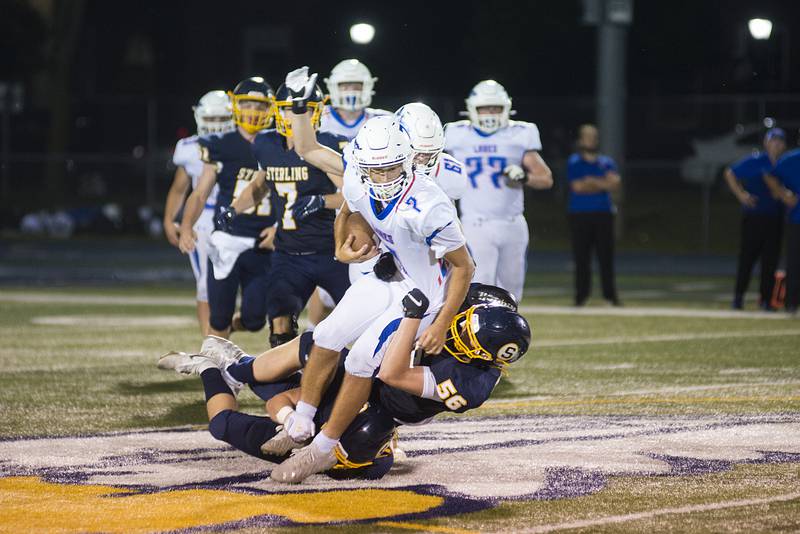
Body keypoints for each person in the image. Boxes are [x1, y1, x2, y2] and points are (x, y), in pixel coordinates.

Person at [265, 67, 475, 484]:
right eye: (411, 157)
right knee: (326, 334)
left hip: (420, 292)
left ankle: (323, 449)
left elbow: (463, 265)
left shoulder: (431, 200)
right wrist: (342, 242)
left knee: (363, 358)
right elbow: (343, 192)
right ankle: (302, 422)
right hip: (387, 272)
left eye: (417, 159)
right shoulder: (365, 169)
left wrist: (443, 320)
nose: (386, 175)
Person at [156, 284, 530, 481]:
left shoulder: (468, 384)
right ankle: (239, 368)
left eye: (464, 334)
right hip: (371, 391)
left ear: (478, 356)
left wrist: (291, 422)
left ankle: (210, 369)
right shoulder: (465, 318)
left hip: (384, 393)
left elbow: (393, 374)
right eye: (463, 320)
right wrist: (294, 418)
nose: (454, 328)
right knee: (316, 346)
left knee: (224, 425)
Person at [221, 82, 350, 347]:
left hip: (330, 252)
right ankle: (288, 384)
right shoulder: (266, 143)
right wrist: (234, 209)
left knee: (360, 321)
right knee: (280, 325)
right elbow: (259, 185)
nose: (296, 116)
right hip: (288, 255)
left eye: (303, 110)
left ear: (316, 113)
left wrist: (322, 201)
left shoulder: (324, 145)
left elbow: (352, 195)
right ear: (278, 112)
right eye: (289, 110)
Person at [178, 77, 276, 338]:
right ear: (235, 106)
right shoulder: (219, 143)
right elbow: (200, 193)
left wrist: (279, 227)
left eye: (259, 106)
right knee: (219, 315)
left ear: (271, 109)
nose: (253, 112)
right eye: (247, 105)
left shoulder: (280, 143)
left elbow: (292, 192)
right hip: (226, 237)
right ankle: (214, 371)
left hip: (263, 244)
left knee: (256, 318)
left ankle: (227, 337)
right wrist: (186, 226)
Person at [444, 80, 553, 301]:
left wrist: (524, 177)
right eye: (485, 108)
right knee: (479, 286)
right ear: (472, 109)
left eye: (495, 108)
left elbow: (546, 179)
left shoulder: (519, 133)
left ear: (506, 108)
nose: (490, 113)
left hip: (512, 222)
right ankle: (479, 333)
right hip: (475, 223)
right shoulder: (456, 134)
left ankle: (507, 332)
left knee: (512, 290)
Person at [163, 91, 234, 336]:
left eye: (220, 119)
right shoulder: (190, 148)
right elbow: (179, 189)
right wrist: (170, 220)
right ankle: (210, 345)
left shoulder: (243, 144)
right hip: (202, 219)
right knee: (206, 284)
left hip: (237, 218)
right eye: (210, 120)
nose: (215, 126)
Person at [724, 128, 787, 310]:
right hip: (754, 217)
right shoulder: (756, 160)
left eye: (780, 141)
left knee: (770, 261)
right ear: (766, 143)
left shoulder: (785, 163)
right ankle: (738, 298)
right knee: (747, 259)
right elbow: (730, 173)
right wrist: (741, 195)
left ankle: (766, 300)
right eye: (773, 140)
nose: (776, 144)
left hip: (775, 217)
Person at [565, 124, 621, 307]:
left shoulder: (607, 162)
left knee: (606, 258)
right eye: (588, 137)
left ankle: (610, 296)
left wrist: (592, 182)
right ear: (581, 140)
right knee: (582, 258)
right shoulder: (574, 162)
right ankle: (581, 297)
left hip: (604, 214)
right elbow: (577, 187)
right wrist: (602, 183)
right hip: (580, 215)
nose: (591, 140)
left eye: (594, 136)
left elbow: (615, 184)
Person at [765, 147, 800, 314]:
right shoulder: (790, 159)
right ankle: (791, 303)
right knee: (794, 263)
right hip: (796, 220)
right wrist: (783, 194)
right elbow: (769, 175)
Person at [319, 59, 390, 140]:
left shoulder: (384, 120)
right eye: (345, 87)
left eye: (357, 87)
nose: (351, 91)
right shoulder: (318, 117)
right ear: (333, 87)